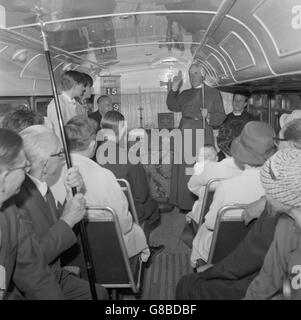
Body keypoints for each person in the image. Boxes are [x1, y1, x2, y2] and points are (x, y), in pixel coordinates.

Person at [175, 118, 301, 300]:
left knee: (187, 285)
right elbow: (266, 273)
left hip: (262, 275)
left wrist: (213, 272)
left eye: (279, 142)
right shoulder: (282, 214)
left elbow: (251, 261)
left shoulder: (281, 222)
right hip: (266, 273)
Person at [15, 125, 108, 300]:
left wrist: (70, 194)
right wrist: (68, 219)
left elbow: (55, 222)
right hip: (35, 282)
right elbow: (33, 259)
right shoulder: (19, 201)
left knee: (100, 293)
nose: (63, 159)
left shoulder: (39, 187)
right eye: (59, 154)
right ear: (45, 164)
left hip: (53, 274)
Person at [51, 115, 151, 263]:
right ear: (92, 145)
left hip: (63, 250)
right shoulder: (103, 176)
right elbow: (123, 224)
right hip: (107, 249)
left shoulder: (52, 175)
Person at [191, 121, 276, 266]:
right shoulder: (279, 186)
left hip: (228, 248)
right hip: (265, 248)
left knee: (203, 232)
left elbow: (212, 223)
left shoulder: (226, 187)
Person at [0, 128, 64, 299]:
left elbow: (33, 271)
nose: (29, 169)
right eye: (24, 166)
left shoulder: (10, 213)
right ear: (4, 177)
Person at [96, 111, 165, 263]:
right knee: (151, 206)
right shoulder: (129, 157)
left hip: (98, 209)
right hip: (125, 210)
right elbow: (142, 195)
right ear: (121, 130)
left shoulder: (92, 154)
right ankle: (142, 248)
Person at [166, 63, 226, 212]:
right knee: (186, 169)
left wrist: (210, 116)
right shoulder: (185, 94)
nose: (193, 77)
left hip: (203, 131)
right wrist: (174, 88)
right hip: (185, 132)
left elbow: (221, 116)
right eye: (191, 74)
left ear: (203, 75)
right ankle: (185, 203)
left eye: (196, 74)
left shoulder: (213, 93)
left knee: (200, 168)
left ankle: (202, 202)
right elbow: (172, 105)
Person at [244, 148, 301, 299]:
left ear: (281, 197)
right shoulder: (285, 225)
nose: (265, 195)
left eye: (268, 189)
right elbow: (268, 279)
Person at [47, 70, 88, 140]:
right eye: (83, 85)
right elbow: (58, 135)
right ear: (75, 85)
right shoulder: (56, 105)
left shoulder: (78, 105)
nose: (84, 89)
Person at [186, 145, 218, 225]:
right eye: (203, 156)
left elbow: (191, 187)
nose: (206, 158)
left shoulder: (199, 175)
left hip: (203, 215)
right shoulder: (225, 173)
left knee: (198, 204)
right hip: (219, 213)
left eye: (208, 156)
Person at [217, 92, 254, 160]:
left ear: (245, 104)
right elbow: (221, 140)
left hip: (245, 155)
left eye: (240, 101)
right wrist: (228, 154)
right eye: (235, 100)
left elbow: (253, 140)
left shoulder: (251, 120)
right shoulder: (225, 118)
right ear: (232, 102)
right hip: (226, 154)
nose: (237, 102)